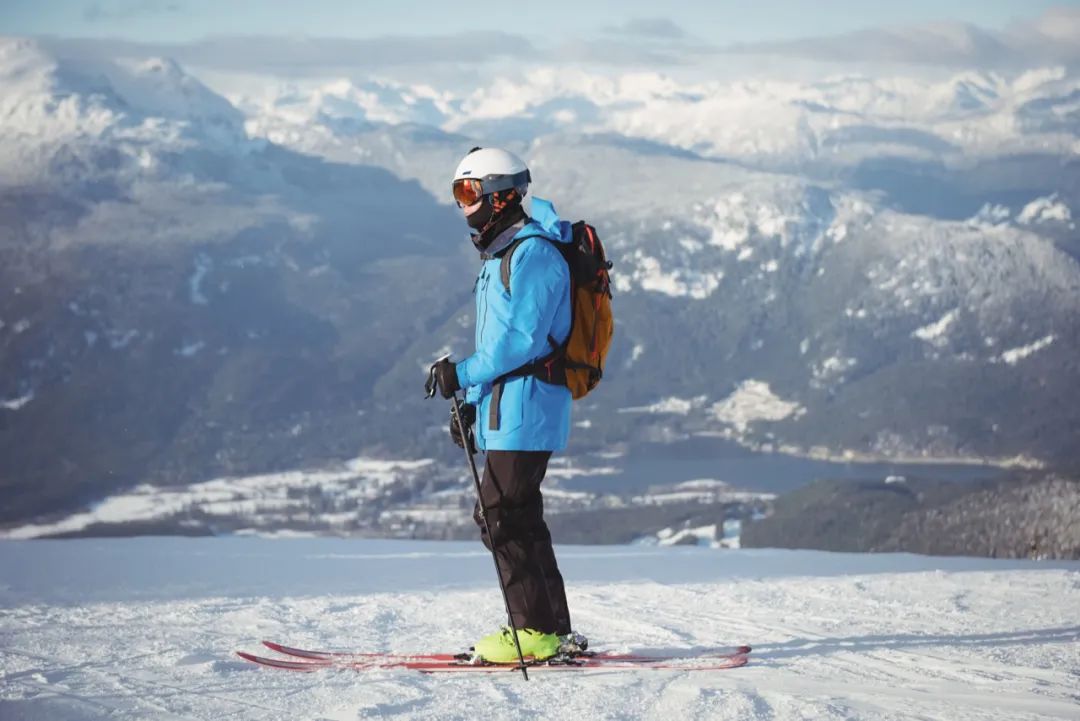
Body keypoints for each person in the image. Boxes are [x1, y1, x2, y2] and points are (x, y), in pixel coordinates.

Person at [431, 146, 585, 663]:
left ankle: (534, 632)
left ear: (500, 195)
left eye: (468, 192)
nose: (463, 205)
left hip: (528, 409)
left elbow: (518, 342)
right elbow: (498, 338)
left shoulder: (535, 254)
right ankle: (552, 629)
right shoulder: (504, 253)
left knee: (500, 515)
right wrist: (471, 403)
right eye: (458, 194)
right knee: (518, 515)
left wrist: (462, 374)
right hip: (507, 410)